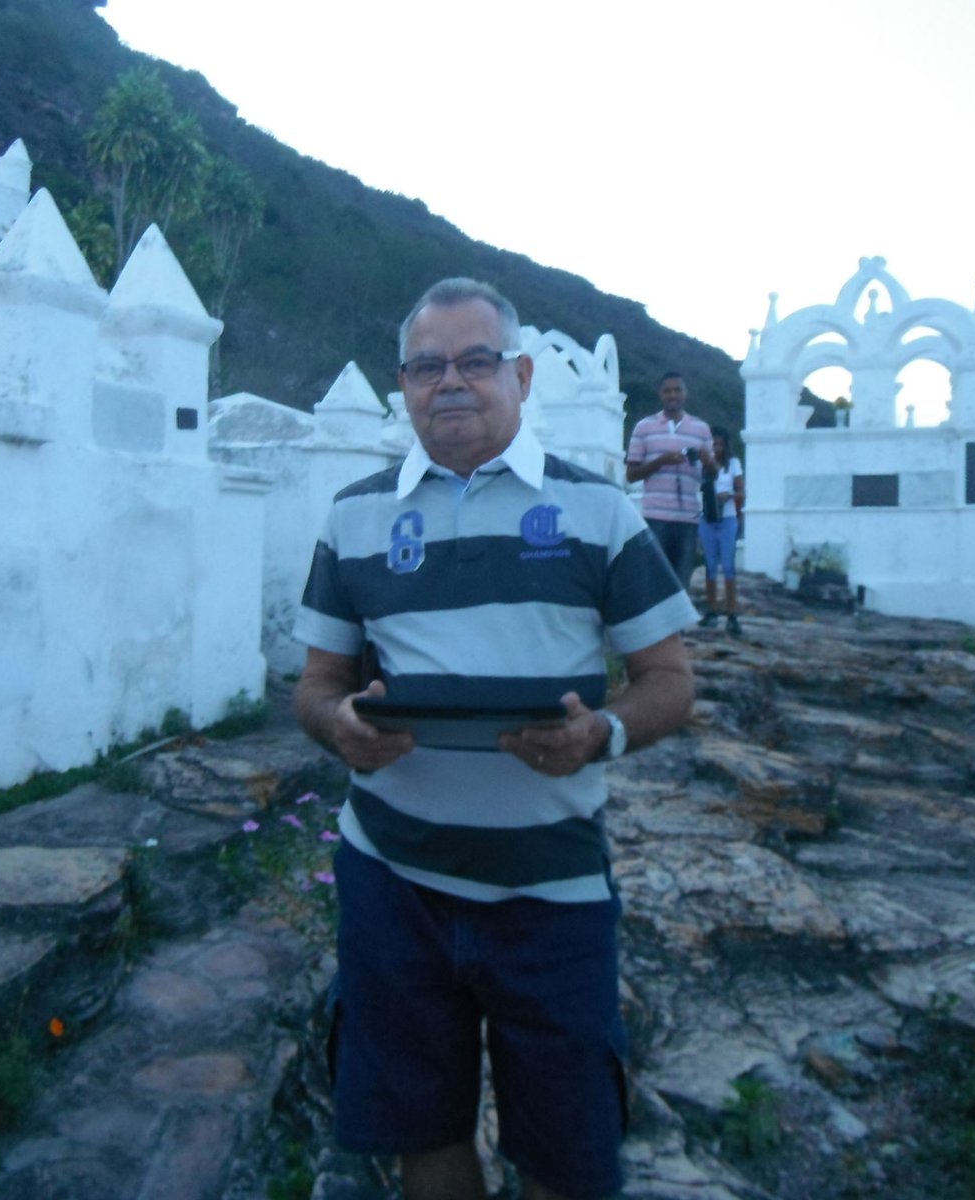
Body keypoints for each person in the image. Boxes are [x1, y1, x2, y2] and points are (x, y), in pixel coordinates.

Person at [293, 277, 697, 1200]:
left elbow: (670, 681)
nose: (451, 382)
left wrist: (603, 734)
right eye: (427, 366)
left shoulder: (598, 510)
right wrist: (340, 727)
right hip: (392, 883)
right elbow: (316, 685)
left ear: (521, 376)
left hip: (551, 894)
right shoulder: (354, 517)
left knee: (566, 1157)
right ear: (404, 385)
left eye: (476, 361)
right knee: (423, 1135)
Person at [624, 372, 715, 591]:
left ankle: (679, 616)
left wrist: (708, 462)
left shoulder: (701, 429)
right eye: (667, 391)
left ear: (685, 393)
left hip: (688, 519)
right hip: (655, 516)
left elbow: (712, 475)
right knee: (653, 579)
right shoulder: (644, 427)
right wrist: (661, 461)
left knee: (681, 582)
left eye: (677, 390)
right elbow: (631, 475)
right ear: (660, 394)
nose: (672, 395)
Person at [697, 429, 745, 635]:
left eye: (719, 445)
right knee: (710, 566)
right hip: (707, 518)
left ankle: (732, 615)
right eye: (713, 445)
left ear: (725, 446)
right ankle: (712, 611)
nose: (716, 449)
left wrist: (730, 495)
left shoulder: (733, 464)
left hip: (727, 518)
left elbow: (742, 491)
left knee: (728, 566)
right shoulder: (701, 465)